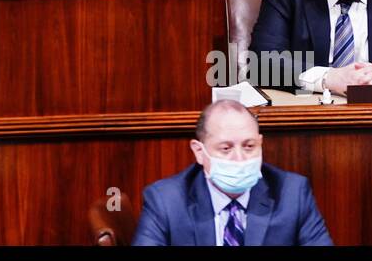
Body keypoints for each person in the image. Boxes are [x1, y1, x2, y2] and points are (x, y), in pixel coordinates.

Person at [133, 100, 331, 246]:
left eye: (249, 146)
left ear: (260, 144)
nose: (240, 158)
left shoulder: (292, 194)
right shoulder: (166, 201)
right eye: (226, 148)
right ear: (199, 152)